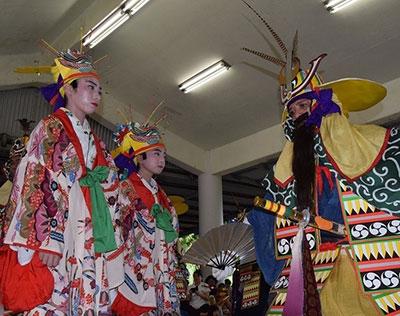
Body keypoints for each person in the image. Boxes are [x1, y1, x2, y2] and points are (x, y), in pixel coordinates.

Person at [243, 3, 400, 315]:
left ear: (320, 104)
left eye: (303, 106)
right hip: (316, 263)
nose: (298, 115)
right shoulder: (290, 161)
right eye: (292, 111)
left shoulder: (362, 143)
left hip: (365, 258)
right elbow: (268, 208)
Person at [0, 48, 124, 314]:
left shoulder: (98, 143)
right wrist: (50, 238)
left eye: (100, 90)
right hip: (60, 232)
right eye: (90, 87)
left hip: (90, 234)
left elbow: (112, 186)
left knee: (86, 296)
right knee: (53, 300)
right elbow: (37, 177)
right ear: (69, 88)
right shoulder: (51, 127)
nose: (97, 95)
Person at [111, 119, 180, 314]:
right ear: (140, 157)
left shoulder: (162, 195)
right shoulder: (126, 187)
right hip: (136, 268)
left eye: (164, 156)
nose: (162, 160)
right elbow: (118, 226)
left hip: (162, 265)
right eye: (156, 154)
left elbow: (173, 227)